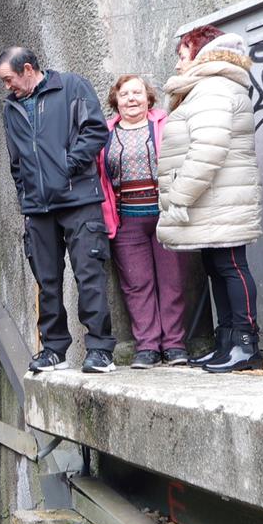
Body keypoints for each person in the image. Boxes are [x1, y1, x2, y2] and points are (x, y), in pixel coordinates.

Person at [0, 47, 117, 373]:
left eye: (9, 79)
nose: (7, 86)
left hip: (78, 200)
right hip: (38, 207)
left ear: (28, 69)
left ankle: (100, 349)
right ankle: (53, 349)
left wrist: (67, 167)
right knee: (46, 280)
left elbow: (95, 131)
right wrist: (25, 197)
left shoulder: (73, 87)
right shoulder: (11, 108)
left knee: (88, 273)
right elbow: (16, 159)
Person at [158, 28, 263, 372]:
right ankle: (227, 342)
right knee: (217, 267)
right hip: (214, 197)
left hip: (221, 197)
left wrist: (179, 196)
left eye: (182, 54)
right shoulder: (205, 88)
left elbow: (207, 149)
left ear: (202, 54)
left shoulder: (213, 88)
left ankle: (246, 345)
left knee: (231, 266)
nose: (178, 62)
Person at [99, 73, 190, 367]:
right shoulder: (105, 133)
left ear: (148, 97)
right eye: (124, 94)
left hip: (165, 214)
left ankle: (174, 345)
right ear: (116, 101)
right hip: (126, 219)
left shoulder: (164, 124)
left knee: (172, 281)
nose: (131, 99)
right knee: (136, 285)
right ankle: (148, 346)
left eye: (137, 93)